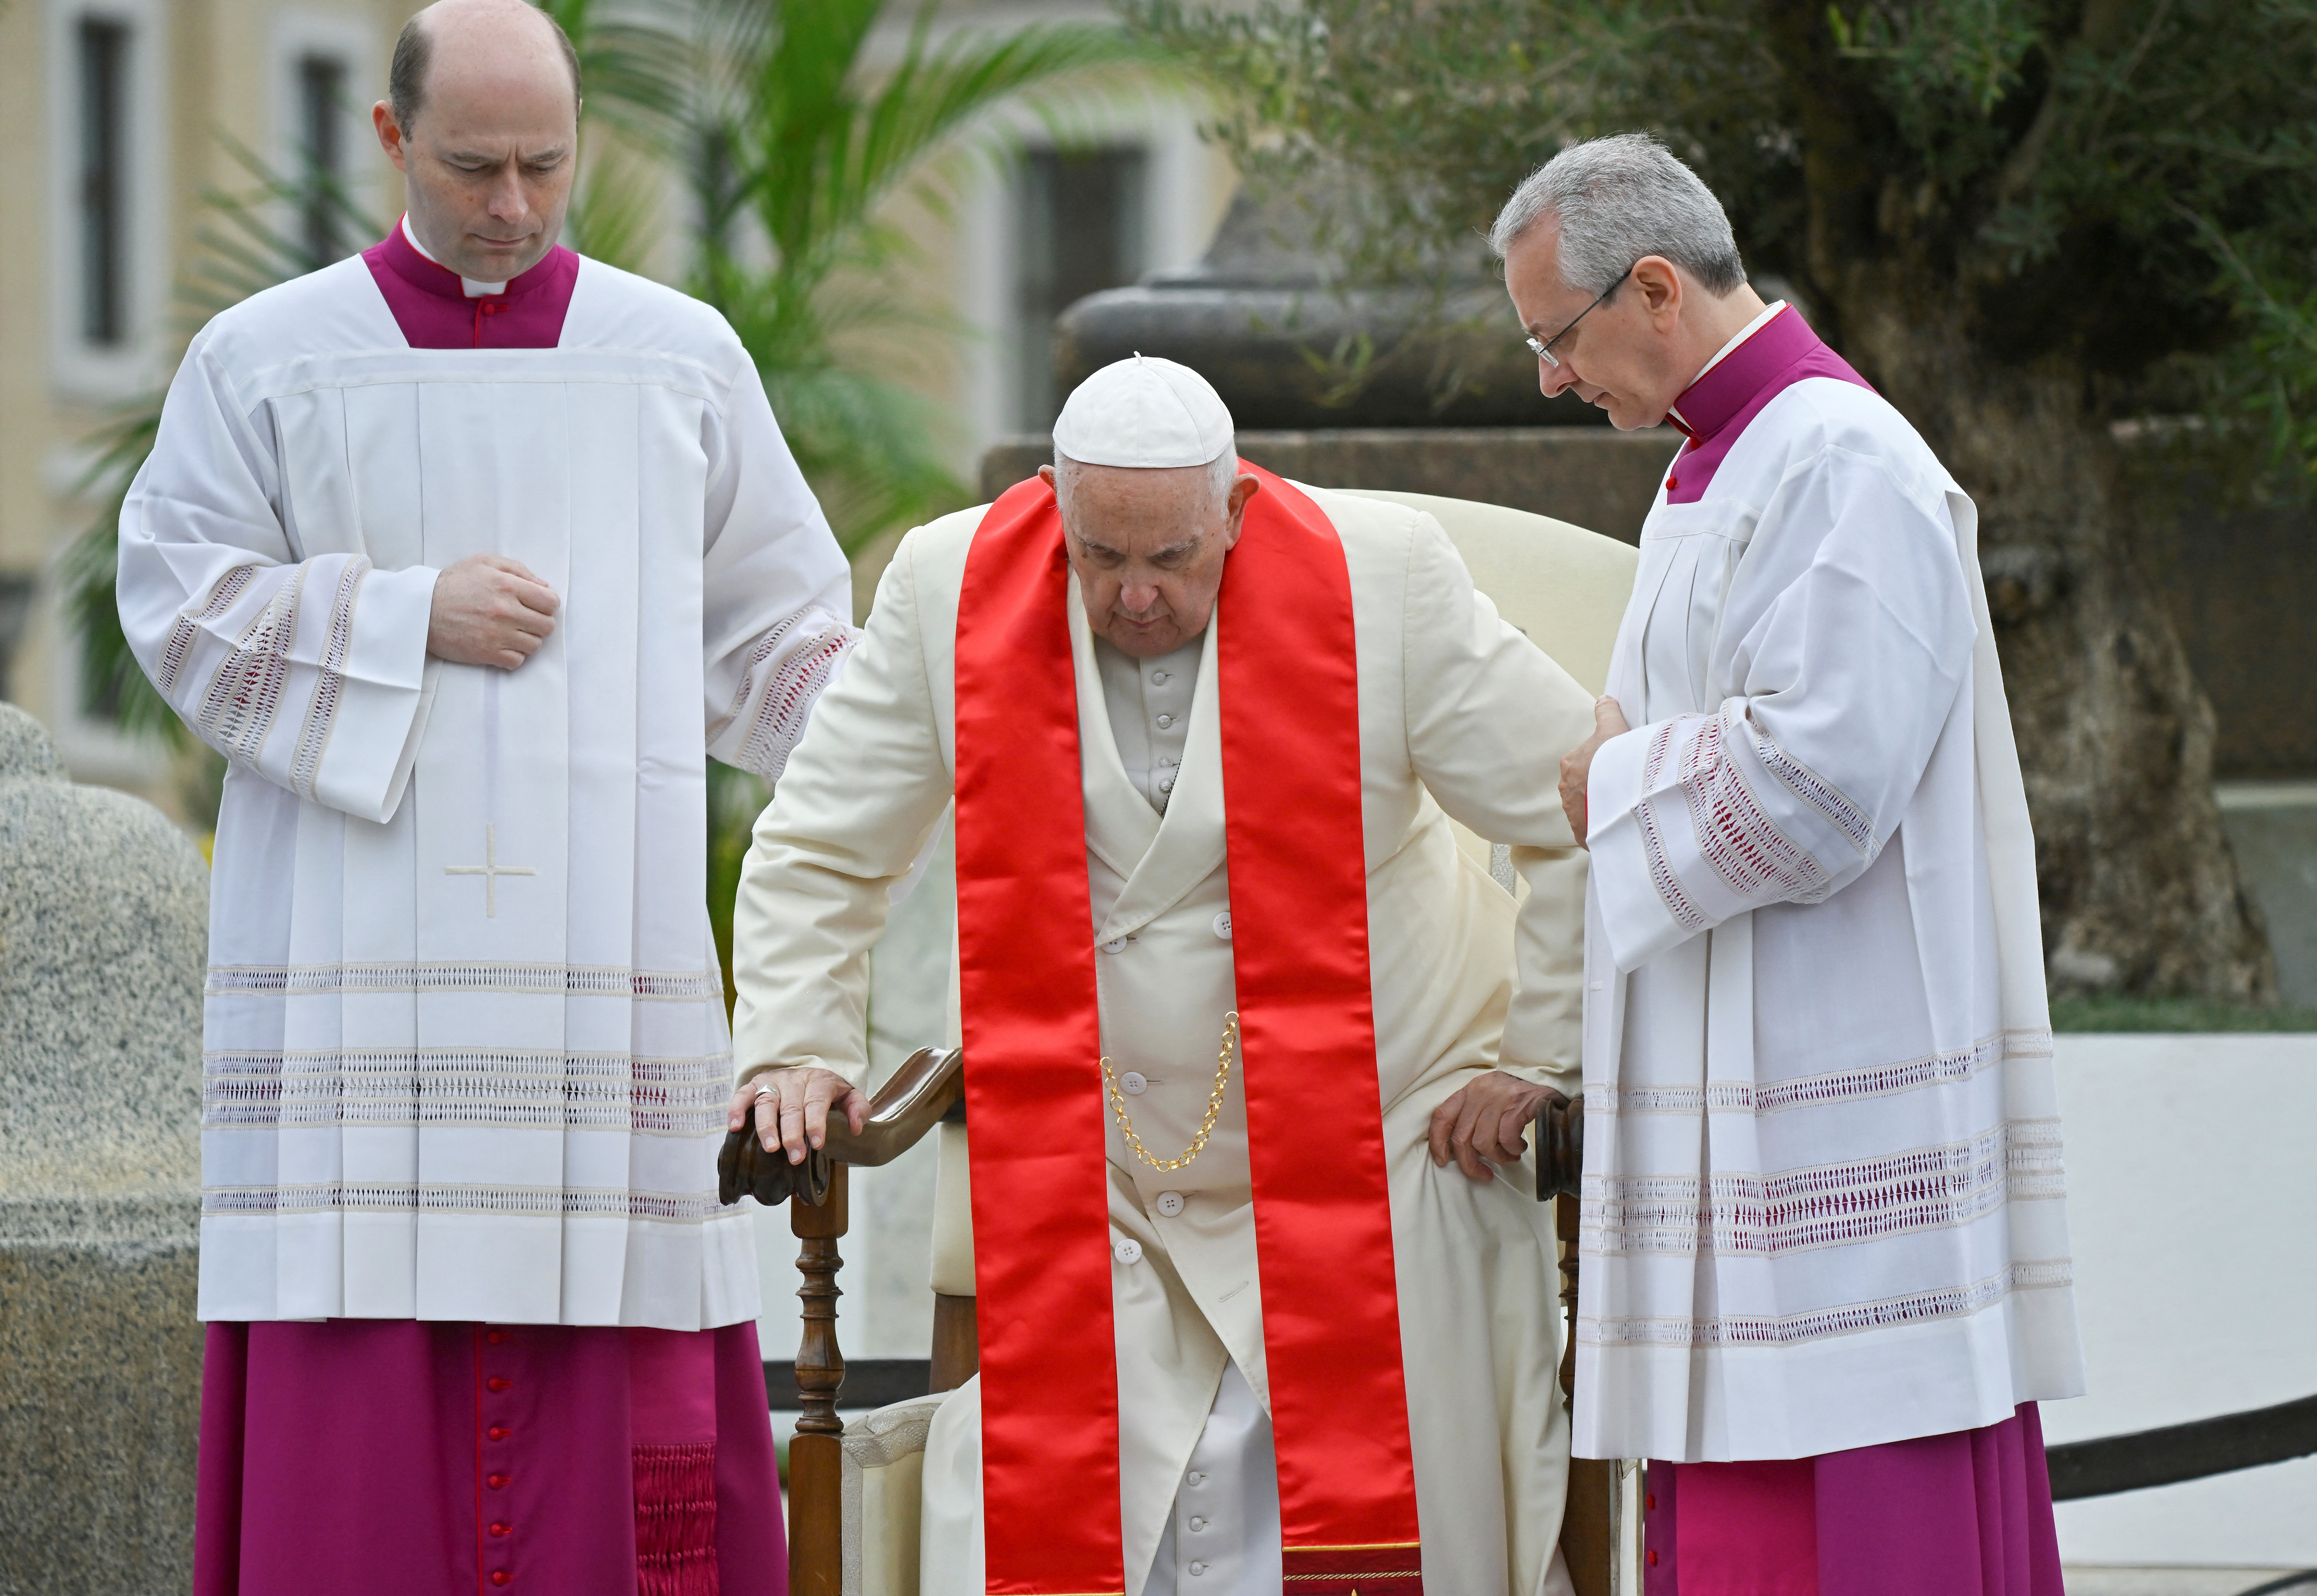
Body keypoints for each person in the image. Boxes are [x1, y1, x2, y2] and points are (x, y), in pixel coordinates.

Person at [117, 3, 853, 1590]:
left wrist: (928, 726)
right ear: (392, 143)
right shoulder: (265, 359)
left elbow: (782, 629)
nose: (511, 206)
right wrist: (401, 617)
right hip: (355, 999)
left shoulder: (677, 359)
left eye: (544, 165)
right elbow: (173, 605)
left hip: (606, 983)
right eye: (471, 167)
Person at [731, 355, 1595, 1596]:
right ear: (1051, 503)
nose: (1135, 596)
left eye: (1174, 558)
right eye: (1099, 557)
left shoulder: (1383, 578)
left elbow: (1573, 802)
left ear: (1237, 509)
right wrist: (795, 1046)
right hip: (1099, 1170)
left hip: (1381, 1146)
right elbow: (822, 845)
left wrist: (1539, 1053)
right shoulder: (946, 586)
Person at [1493, 133, 2086, 1595]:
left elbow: (1827, 777)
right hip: (1732, 1111)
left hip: (1831, 1112)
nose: (1551, 380)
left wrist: (1609, 780)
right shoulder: (1718, 462)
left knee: (1856, 1518)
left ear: (1650, 288)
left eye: (1555, 340)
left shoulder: (1842, 459)